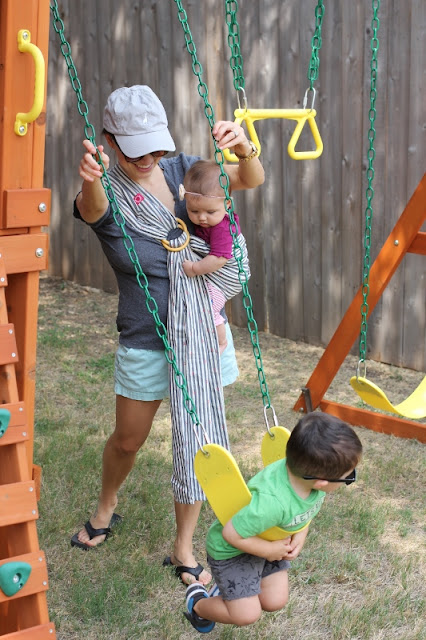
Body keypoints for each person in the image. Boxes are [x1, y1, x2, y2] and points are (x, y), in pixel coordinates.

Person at [70, 84, 264, 588]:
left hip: (199, 332)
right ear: (110, 141)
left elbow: (248, 178)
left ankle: (183, 546)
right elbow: (92, 209)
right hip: (145, 334)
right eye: (136, 150)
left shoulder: (185, 172)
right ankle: (107, 503)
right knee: (128, 439)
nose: (148, 159)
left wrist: (244, 148)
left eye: (155, 147)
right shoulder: (108, 189)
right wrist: (91, 178)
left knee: (199, 441)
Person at [183, 413, 363, 633]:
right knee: (247, 614)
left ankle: (234, 592)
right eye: (349, 477)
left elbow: (304, 513)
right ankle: (198, 603)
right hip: (234, 551)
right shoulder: (272, 503)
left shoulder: (310, 483)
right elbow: (230, 534)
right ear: (322, 481)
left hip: (270, 541)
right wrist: (268, 550)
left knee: (275, 601)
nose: (349, 479)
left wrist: (300, 534)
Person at [180, 160, 245, 353]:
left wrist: (195, 268)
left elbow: (219, 258)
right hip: (216, 270)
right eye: (194, 211)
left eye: (210, 212)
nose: (202, 218)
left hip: (229, 276)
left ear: (227, 204)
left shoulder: (222, 227)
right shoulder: (209, 219)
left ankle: (221, 341)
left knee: (208, 306)